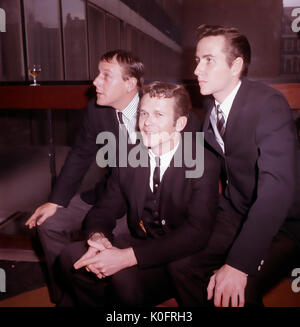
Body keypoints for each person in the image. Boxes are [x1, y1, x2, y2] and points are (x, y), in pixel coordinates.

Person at [57, 81, 220, 307]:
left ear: (180, 123)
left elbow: (196, 233)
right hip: (140, 243)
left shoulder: (203, 162)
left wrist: (126, 257)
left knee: (124, 278)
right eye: (143, 113)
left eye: (158, 115)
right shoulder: (129, 157)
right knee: (71, 256)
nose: (146, 123)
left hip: (179, 258)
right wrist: (99, 239)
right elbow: (104, 210)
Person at [25, 49, 144, 304]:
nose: (95, 82)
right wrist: (56, 201)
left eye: (105, 75)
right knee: (48, 223)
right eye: (98, 74)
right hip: (105, 196)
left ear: (130, 83)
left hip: (140, 207)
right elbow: (80, 155)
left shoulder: (157, 108)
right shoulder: (97, 110)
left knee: (106, 244)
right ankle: (67, 297)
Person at [193, 24, 298, 307]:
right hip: (236, 212)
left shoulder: (268, 104)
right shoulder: (211, 109)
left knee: (238, 286)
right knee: (182, 260)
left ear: (235, 65)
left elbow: (277, 189)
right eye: (197, 60)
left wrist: (240, 263)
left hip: (285, 223)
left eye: (208, 60)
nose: (196, 70)